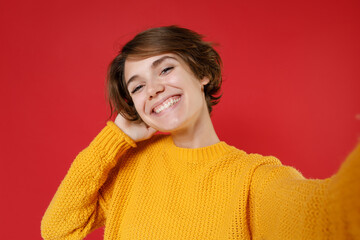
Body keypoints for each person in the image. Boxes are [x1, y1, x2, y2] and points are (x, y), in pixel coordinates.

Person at [41, 26, 360, 239]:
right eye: (137, 87)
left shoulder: (251, 178)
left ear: (202, 73)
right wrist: (112, 139)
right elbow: (57, 230)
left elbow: (327, 214)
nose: (153, 89)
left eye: (165, 69)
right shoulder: (129, 169)